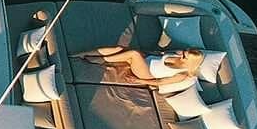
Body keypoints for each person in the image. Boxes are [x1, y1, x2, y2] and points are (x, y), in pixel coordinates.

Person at [74, 45, 203, 87]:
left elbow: (161, 82)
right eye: (184, 53)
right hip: (146, 59)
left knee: (134, 54)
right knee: (120, 48)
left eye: (185, 57)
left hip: (146, 72)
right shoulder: (178, 54)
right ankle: (83, 53)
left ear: (190, 63)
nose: (182, 56)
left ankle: (101, 60)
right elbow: (159, 55)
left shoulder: (183, 74)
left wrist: (139, 81)